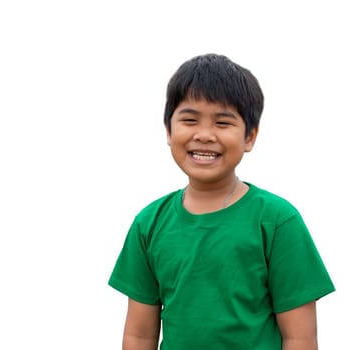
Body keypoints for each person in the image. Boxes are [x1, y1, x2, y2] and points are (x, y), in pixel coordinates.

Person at [108, 53, 335, 350]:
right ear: (168, 130)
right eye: (189, 120)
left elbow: (300, 338)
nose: (204, 135)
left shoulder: (278, 220)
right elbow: (139, 335)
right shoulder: (149, 223)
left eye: (223, 122)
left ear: (250, 137)